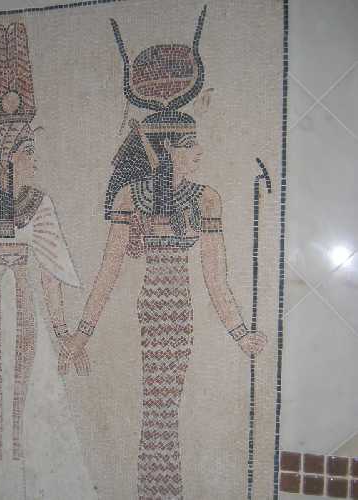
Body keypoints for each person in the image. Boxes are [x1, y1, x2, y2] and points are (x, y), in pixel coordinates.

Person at [59, 8, 267, 500]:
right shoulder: (131, 197)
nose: (199, 153)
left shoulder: (206, 199)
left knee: (166, 406)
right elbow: (109, 270)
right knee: (157, 404)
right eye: (190, 145)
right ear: (168, 148)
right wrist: (83, 332)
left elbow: (216, 278)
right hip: (153, 311)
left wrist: (240, 334)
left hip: (180, 313)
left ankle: (159, 487)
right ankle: (155, 488)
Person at [0, 22, 90, 499]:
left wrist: (62, 332)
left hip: (25, 305)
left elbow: (50, 274)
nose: (33, 160)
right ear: (5, 159)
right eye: (27, 152)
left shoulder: (40, 203)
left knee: (35, 392)